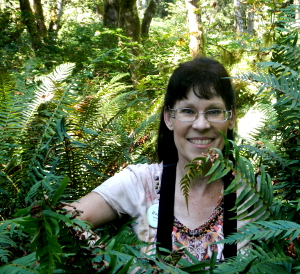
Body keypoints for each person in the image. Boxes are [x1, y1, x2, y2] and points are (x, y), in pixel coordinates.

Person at [70, 57, 248, 262]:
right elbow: (60, 220)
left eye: (214, 111)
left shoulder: (253, 197)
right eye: (187, 111)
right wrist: (114, 269)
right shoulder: (141, 183)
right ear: (168, 118)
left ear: (231, 118)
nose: (201, 125)